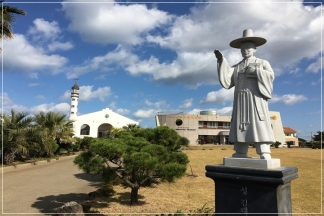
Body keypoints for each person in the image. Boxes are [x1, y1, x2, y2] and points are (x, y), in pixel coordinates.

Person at [214, 29, 275, 159]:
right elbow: (227, 79)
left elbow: (270, 76)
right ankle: (241, 152)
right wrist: (221, 61)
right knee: (240, 124)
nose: (245, 50)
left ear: (254, 49)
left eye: (248, 48)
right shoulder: (238, 66)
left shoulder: (262, 63)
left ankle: (264, 152)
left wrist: (256, 71)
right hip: (241, 99)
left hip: (255, 98)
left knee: (258, 123)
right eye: (242, 49)